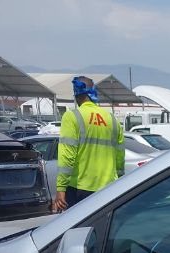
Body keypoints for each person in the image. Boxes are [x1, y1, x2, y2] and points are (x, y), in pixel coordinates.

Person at [53, 76, 125, 211]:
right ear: (94, 92)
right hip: (108, 189)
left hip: (79, 189)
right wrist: (120, 182)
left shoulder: (72, 116)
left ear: (76, 94)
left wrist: (61, 188)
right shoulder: (113, 120)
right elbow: (120, 157)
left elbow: (67, 156)